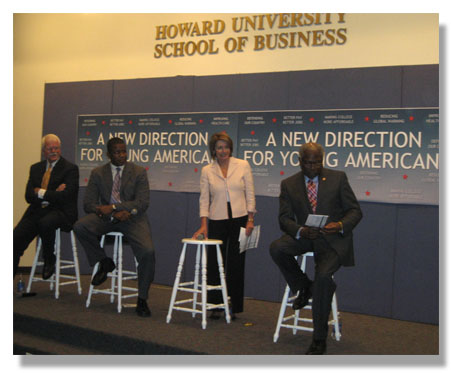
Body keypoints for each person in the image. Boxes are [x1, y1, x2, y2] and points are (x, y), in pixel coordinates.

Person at [270, 142, 362, 355]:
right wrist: (300, 230)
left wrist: (339, 225)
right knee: (277, 248)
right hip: (306, 236)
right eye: (309, 163)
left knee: (322, 278)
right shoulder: (289, 183)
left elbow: (355, 212)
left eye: (317, 162)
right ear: (300, 162)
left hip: (332, 241)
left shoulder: (338, 178)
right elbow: (284, 219)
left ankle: (319, 339)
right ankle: (304, 286)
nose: (313, 167)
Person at [74, 137, 155, 318]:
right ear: (108, 154)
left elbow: (142, 202)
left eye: (124, 151)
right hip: (108, 218)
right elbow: (88, 204)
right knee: (80, 227)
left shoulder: (139, 172)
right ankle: (104, 261)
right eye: (117, 152)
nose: (121, 155)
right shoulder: (98, 173)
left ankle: (142, 299)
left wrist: (115, 208)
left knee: (148, 251)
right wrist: (109, 212)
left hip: (132, 218)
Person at [192, 132, 256, 320]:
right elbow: (204, 200)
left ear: (231, 148)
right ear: (213, 150)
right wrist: (204, 225)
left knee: (236, 263)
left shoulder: (243, 165)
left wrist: (250, 219)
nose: (223, 151)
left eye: (226, 147)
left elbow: (250, 193)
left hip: (240, 218)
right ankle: (215, 305)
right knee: (214, 262)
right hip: (217, 219)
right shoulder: (207, 170)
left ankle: (234, 306)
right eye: (219, 147)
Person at [14, 134, 79, 279]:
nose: (53, 151)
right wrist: (53, 193)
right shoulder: (35, 168)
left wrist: (41, 192)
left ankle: (49, 258)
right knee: (14, 240)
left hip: (61, 212)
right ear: (44, 150)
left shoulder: (70, 169)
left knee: (45, 223)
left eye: (56, 148)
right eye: (50, 148)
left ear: (60, 149)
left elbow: (65, 197)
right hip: (37, 210)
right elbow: (29, 196)